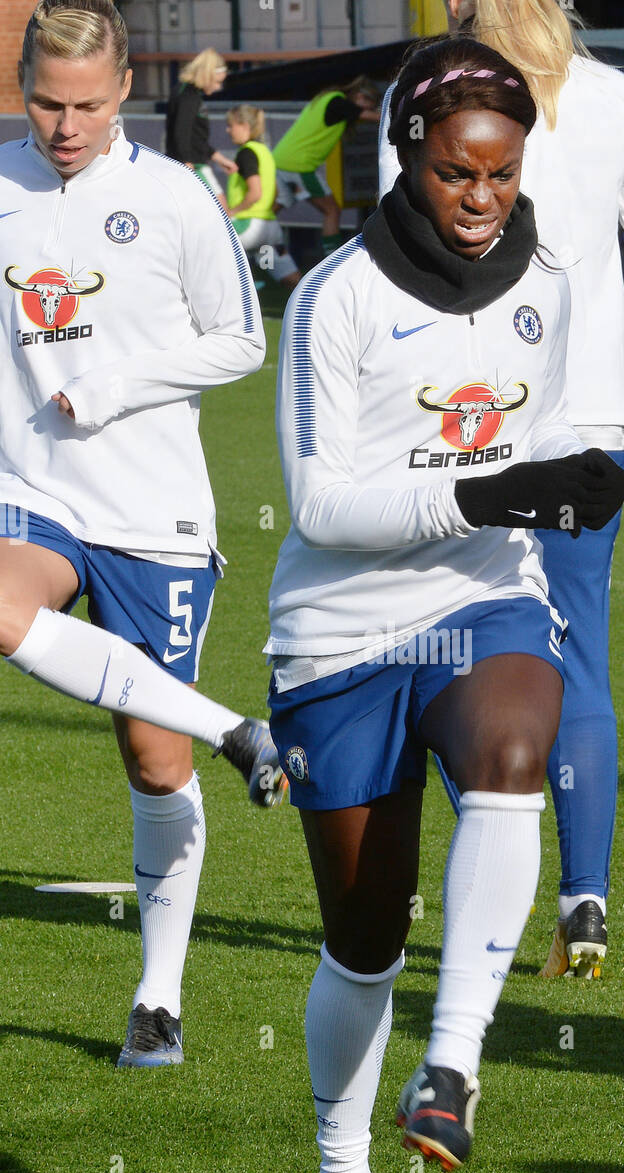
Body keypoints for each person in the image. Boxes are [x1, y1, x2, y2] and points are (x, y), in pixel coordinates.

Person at [266, 35, 624, 1173]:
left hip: (485, 600)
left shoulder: (552, 275)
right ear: (407, 153)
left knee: (514, 752)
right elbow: (319, 506)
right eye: (457, 173)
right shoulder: (335, 294)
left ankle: (454, 1064)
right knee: (364, 940)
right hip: (337, 634)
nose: (482, 200)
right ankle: (337, 1172)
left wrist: (578, 477)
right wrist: (480, 493)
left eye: (503, 175)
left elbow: (571, 428)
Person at [0, 0, 284, 1071]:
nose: (64, 126)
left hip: (155, 512)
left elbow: (239, 340)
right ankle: (236, 729)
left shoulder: (173, 200)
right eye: (43, 102)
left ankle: (158, 995)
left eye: (84, 105)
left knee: (152, 758)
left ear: (123, 91)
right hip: (34, 490)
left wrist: (114, 384)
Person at [379, 0, 624, 980]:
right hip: (590, 425)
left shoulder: (424, 95)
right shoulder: (617, 97)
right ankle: (582, 900)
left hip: (463, 419)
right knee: (580, 658)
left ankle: (493, 875)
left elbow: (400, 258)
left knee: (449, 657)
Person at [272, 77, 381, 261]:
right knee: (332, 211)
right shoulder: (338, 102)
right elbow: (371, 116)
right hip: (300, 166)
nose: (367, 110)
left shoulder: (327, 99)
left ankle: (249, 246)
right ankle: (333, 261)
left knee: (268, 212)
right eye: (369, 105)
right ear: (361, 96)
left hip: (281, 161)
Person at [220, 105, 300, 290]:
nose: (228, 130)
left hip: (248, 227)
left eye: (231, 125)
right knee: (289, 277)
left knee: (212, 251)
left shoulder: (246, 153)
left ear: (245, 126)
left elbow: (255, 192)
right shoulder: (265, 152)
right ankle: (314, 301)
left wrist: (232, 212)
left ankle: (246, 286)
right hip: (270, 228)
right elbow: (276, 193)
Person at [165, 47, 236, 195]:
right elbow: (181, 131)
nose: (218, 87)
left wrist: (220, 159)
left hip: (188, 162)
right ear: (207, 75)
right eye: (217, 82)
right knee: (221, 210)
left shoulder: (186, 92)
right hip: (192, 164)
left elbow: (196, 138)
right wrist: (186, 163)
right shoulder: (188, 96)